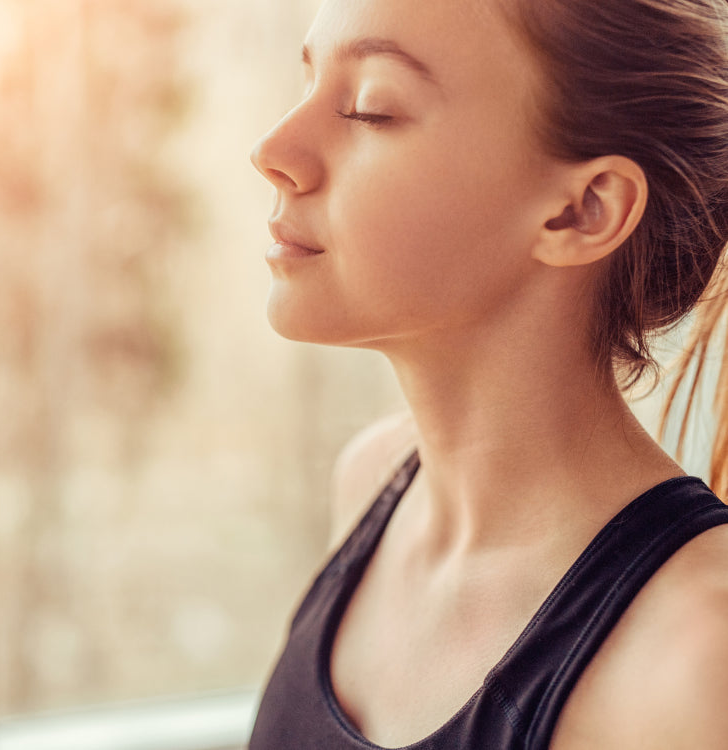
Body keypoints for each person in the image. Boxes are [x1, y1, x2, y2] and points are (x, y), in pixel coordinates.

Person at [246, 0, 728, 747]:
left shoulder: (697, 656)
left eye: (371, 108)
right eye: (307, 81)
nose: (273, 148)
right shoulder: (373, 481)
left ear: (582, 210)